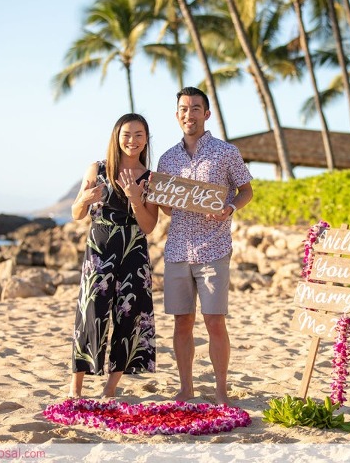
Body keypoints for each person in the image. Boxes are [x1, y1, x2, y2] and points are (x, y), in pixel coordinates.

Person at [157, 87, 253, 405]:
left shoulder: (226, 152)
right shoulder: (167, 158)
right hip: (177, 250)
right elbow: (167, 209)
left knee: (214, 321)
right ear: (177, 115)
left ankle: (221, 390)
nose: (189, 114)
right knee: (182, 321)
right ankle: (187, 389)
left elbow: (246, 191)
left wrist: (230, 208)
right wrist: (159, 198)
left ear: (206, 114)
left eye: (196, 108)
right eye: (184, 109)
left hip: (214, 247)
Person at [69, 113, 159, 398]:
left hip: (134, 250)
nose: (132, 141)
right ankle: (76, 388)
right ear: (116, 137)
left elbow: (149, 226)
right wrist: (84, 199)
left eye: (139, 135)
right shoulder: (97, 168)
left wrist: (134, 197)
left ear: (146, 140)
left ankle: (110, 389)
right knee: (91, 311)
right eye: (126, 135)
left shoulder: (151, 178)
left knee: (129, 315)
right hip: (100, 248)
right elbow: (76, 214)